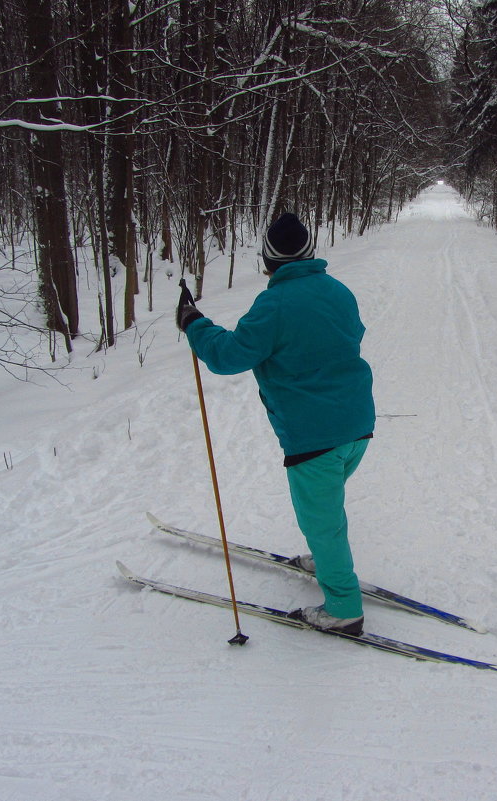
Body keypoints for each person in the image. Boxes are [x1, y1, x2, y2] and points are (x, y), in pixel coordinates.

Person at [176, 212, 375, 635]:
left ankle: (344, 608)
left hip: (313, 437)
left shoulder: (274, 303)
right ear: (309, 254)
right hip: (357, 425)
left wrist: (194, 324)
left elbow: (230, 356)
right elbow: (350, 335)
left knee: (321, 520)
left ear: (268, 262)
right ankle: (326, 559)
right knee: (326, 506)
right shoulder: (338, 291)